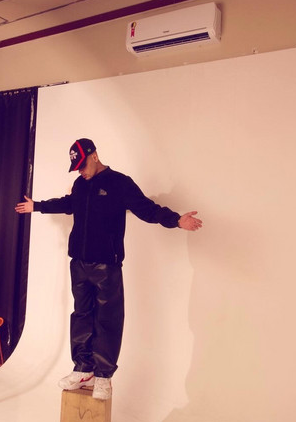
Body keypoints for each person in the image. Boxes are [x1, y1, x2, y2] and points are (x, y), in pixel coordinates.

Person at [15, 138, 202, 400]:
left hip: (106, 264)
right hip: (79, 263)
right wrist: (38, 206)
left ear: (95, 156)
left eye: (83, 165)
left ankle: (103, 376)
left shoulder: (119, 183)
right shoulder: (80, 184)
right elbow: (68, 204)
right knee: (81, 316)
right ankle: (83, 369)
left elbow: (147, 209)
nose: (81, 171)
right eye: (77, 167)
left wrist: (176, 220)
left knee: (107, 320)